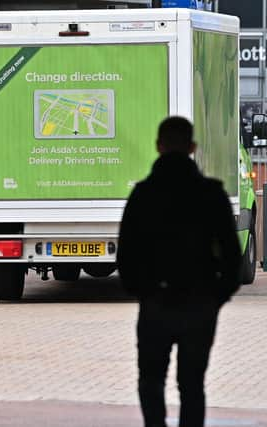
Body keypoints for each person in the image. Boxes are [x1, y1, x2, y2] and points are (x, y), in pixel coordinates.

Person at [116, 116, 241, 427]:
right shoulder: (212, 194)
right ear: (192, 147)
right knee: (192, 385)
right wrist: (215, 297)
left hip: (155, 302)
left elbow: (126, 253)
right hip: (199, 303)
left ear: (158, 146)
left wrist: (143, 292)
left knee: (151, 379)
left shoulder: (143, 195)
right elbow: (231, 257)